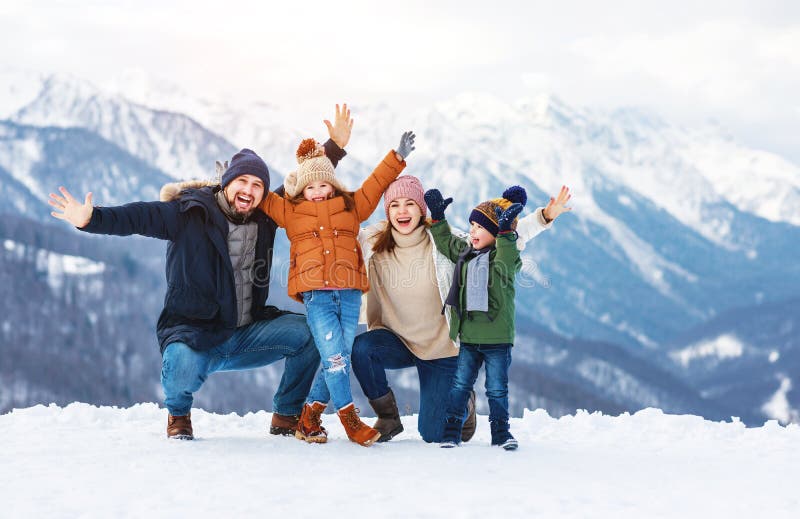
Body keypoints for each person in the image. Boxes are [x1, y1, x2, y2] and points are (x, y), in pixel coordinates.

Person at [47, 106, 354, 440]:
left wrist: (334, 148)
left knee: (311, 333)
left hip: (248, 330)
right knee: (179, 362)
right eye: (242, 181)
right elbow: (139, 217)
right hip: (196, 333)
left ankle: (287, 414)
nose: (249, 190)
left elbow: (306, 182)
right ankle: (178, 414)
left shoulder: (266, 215)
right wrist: (91, 219)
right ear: (227, 183)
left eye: (256, 185)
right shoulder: (189, 213)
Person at [353, 177, 571, 443]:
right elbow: (338, 227)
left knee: (433, 434)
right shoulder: (373, 242)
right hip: (396, 341)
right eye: (395, 205)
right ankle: (388, 418)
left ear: (422, 209)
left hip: (442, 347)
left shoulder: (444, 241)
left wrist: (544, 217)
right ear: (387, 210)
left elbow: (495, 238)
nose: (402, 211)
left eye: (410, 203)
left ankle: (464, 404)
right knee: (363, 349)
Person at [257, 131, 416, 447]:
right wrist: (225, 182)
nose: (317, 191)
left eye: (323, 184)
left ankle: (310, 416)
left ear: (333, 184)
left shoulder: (353, 206)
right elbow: (257, 195)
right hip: (317, 296)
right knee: (335, 360)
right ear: (302, 188)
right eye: (310, 186)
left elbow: (375, 184)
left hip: (350, 293)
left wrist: (396, 157)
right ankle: (350, 420)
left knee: (339, 356)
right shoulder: (290, 210)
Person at [424, 185, 571, 450]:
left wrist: (506, 231)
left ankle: (501, 433)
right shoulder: (466, 255)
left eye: (479, 227)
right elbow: (445, 242)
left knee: (497, 390)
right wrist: (438, 217)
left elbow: (508, 248)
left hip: (497, 341)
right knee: (460, 386)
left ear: (496, 232)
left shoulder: (505, 259)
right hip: (469, 337)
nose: (472, 231)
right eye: (471, 225)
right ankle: (451, 432)